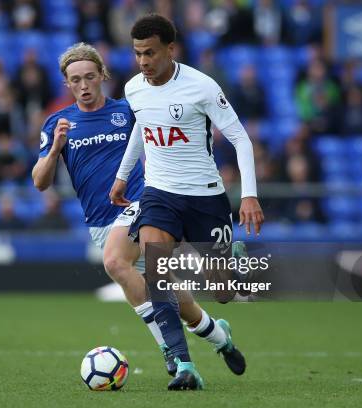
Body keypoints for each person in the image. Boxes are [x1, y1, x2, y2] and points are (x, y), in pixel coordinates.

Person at [110, 14, 265, 390]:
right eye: (137, 54)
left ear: (170, 49)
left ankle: (233, 263)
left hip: (205, 198)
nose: (143, 61)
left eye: (150, 53)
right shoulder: (134, 88)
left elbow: (241, 139)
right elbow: (141, 129)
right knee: (157, 273)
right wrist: (121, 174)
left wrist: (248, 194)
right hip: (160, 193)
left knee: (224, 294)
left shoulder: (202, 87)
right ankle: (183, 365)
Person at [32, 42, 183, 376]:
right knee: (167, 290)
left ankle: (171, 349)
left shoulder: (126, 111)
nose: (83, 86)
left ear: (102, 75)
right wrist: (56, 149)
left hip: (140, 203)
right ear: (66, 84)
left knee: (115, 262)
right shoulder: (58, 123)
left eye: (89, 77)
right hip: (100, 222)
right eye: (75, 80)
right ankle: (215, 333)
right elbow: (39, 182)